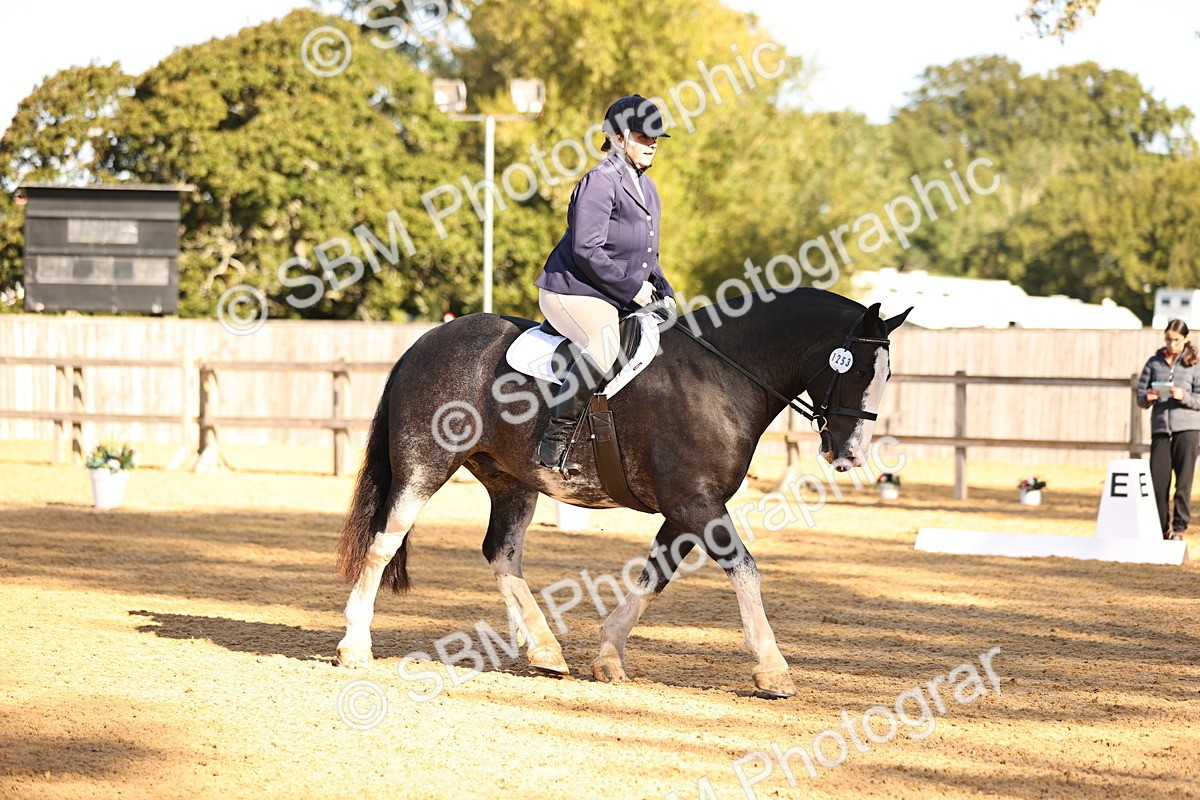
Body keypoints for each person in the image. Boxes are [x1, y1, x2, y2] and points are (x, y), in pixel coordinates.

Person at [530, 95, 678, 474]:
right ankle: (555, 440)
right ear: (618, 137)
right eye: (644, 136)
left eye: (655, 137)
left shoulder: (649, 189)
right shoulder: (599, 181)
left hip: (610, 293)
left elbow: (648, 255)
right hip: (571, 290)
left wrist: (664, 292)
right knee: (605, 341)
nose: (652, 143)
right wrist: (632, 290)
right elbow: (586, 249)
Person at [1137, 319, 1200, 540]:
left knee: (1183, 485)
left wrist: (1185, 397)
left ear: (1185, 339)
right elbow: (1140, 397)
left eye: (1176, 340)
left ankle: (1179, 529)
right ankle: (1163, 528)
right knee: (1157, 484)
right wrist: (1148, 397)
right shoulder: (1153, 363)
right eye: (1168, 339)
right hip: (1161, 430)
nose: (1171, 344)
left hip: (1188, 431)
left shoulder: (1195, 364)